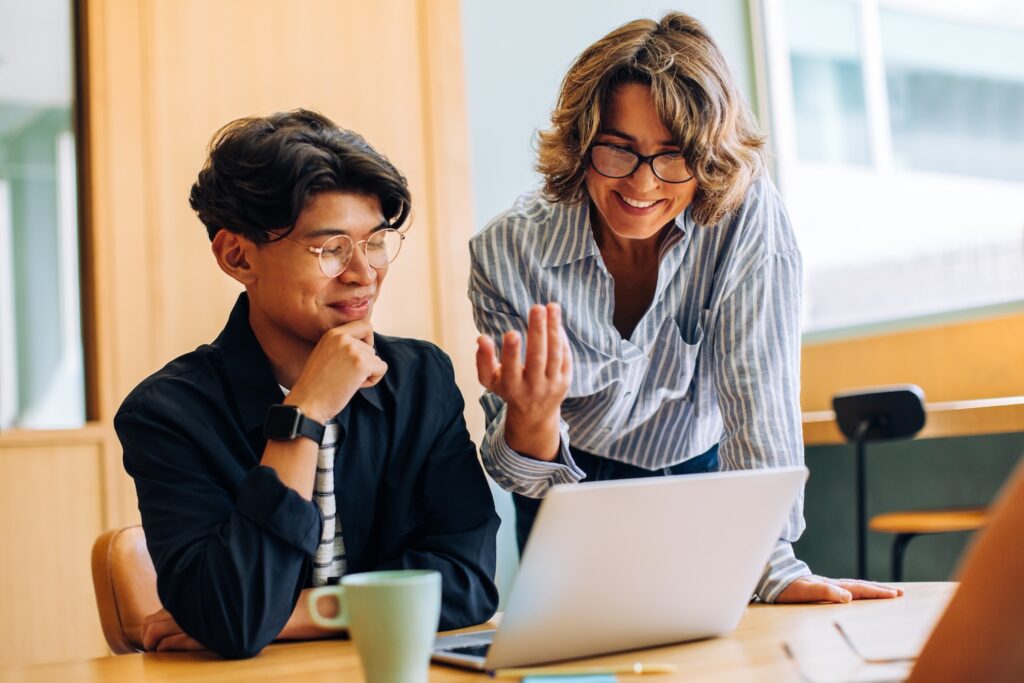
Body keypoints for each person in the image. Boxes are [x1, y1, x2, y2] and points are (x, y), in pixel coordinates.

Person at [469, 12, 899, 603]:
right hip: (567, 485)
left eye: (675, 157)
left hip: (699, 470)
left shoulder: (745, 218)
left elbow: (760, 398)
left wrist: (772, 566)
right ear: (580, 143)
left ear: (710, 157)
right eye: (618, 150)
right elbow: (519, 472)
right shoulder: (508, 251)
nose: (643, 185)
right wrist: (535, 421)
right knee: (575, 647)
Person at [115, 110, 499, 659]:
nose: (363, 273)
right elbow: (237, 618)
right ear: (238, 256)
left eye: (375, 241)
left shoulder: (420, 380)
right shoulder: (167, 413)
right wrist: (304, 414)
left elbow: (469, 582)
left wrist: (302, 612)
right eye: (331, 248)